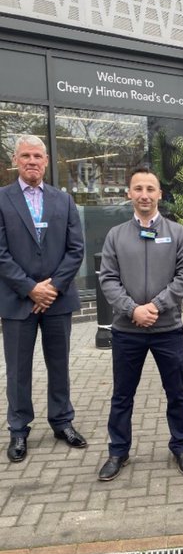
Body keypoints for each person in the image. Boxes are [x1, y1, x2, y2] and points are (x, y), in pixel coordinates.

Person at [98, 166, 183, 481]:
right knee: (122, 395)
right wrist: (132, 309)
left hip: (167, 329)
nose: (144, 195)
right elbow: (109, 280)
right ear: (129, 193)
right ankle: (118, 452)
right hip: (127, 331)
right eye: (138, 188)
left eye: (150, 189)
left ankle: (181, 446)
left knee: (177, 391)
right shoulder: (116, 236)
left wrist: (155, 305)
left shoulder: (177, 233)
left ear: (159, 194)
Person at [0, 134, 86, 463]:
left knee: (59, 365)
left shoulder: (62, 201)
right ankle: (19, 429)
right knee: (18, 370)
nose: (32, 161)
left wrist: (52, 288)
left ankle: (62, 422)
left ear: (47, 161)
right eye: (26, 156)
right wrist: (29, 288)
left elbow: (75, 249)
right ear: (16, 161)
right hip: (17, 300)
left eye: (38, 155)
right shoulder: (2, 199)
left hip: (57, 301)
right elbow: (1, 253)